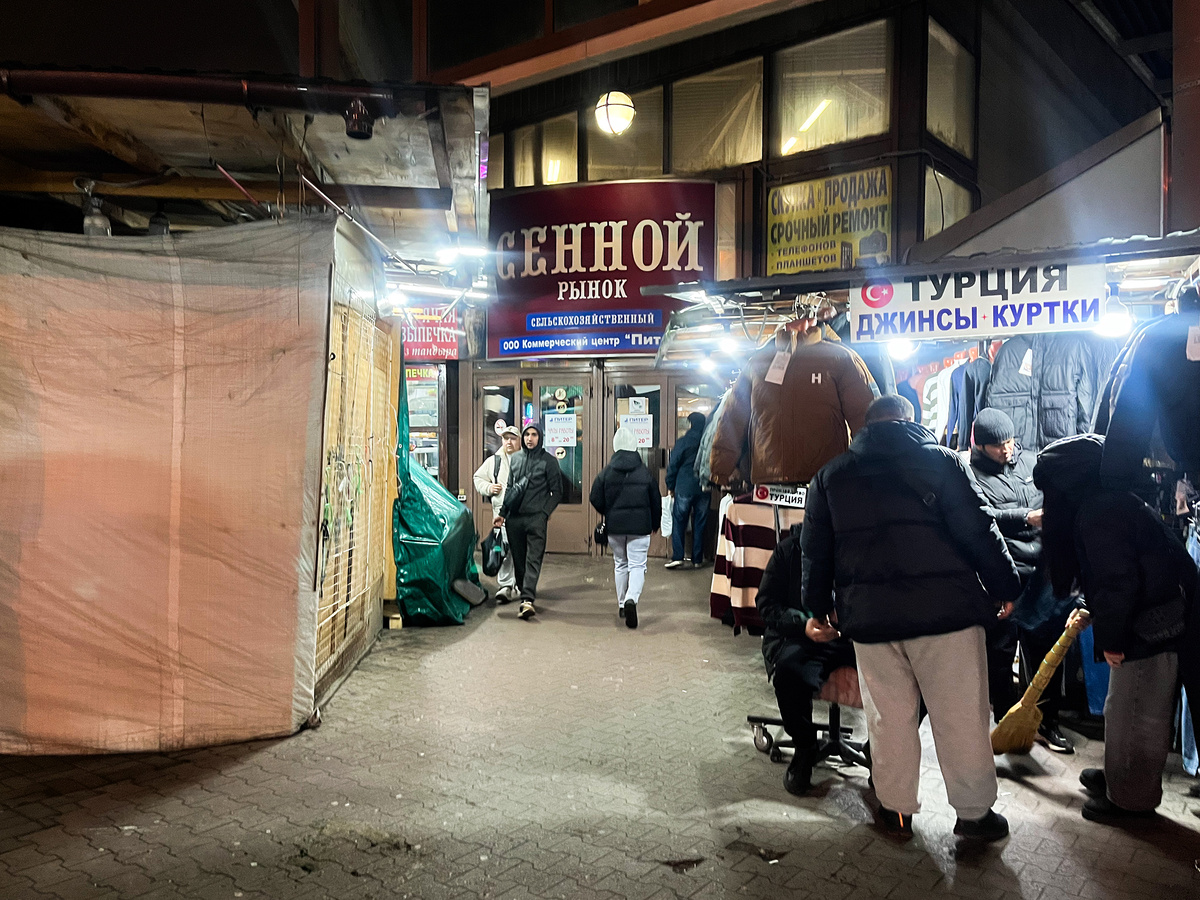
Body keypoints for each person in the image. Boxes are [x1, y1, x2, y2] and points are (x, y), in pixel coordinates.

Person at [801, 394, 1020, 841]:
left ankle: (896, 809)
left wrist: (817, 605)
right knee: (961, 716)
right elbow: (978, 527)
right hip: (947, 617)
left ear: (866, 427)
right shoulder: (942, 463)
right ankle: (975, 815)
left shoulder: (830, 477)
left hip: (873, 622)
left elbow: (815, 550)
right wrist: (1006, 587)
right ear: (912, 421)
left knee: (889, 718)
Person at [1034, 434, 1198, 824]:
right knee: (1123, 707)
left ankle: (1131, 800)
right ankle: (1120, 777)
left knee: (1139, 711)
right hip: (1155, 615)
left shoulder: (1099, 513)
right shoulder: (1106, 504)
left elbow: (1117, 582)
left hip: (1154, 625)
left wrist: (1111, 639)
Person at [969, 408, 1074, 753]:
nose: (1007, 450)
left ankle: (1048, 722)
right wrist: (1026, 516)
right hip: (1006, 571)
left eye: (1010, 442)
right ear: (980, 446)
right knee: (1001, 654)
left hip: (1043, 571)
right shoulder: (970, 475)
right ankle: (1005, 722)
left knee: (1046, 653)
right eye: (998, 446)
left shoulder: (1030, 463)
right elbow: (983, 516)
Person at [756, 523, 856, 795]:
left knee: (911, 676)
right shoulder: (790, 550)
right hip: (803, 638)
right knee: (789, 674)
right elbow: (766, 603)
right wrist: (803, 624)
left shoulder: (861, 548)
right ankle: (805, 746)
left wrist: (847, 622)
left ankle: (884, 753)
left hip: (854, 637)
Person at [589, 426, 662, 629]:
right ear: (635, 446)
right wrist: (654, 523)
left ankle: (622, 604)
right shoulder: (645, 473)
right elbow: (656, 501)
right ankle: (632, 599)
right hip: (640, 528)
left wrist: (608, 512)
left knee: (620, 563)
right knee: (637, 565)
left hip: (615, 527)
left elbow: (594, 498)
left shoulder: (606, 473)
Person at [495, 424, 562, 620]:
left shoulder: (549, 462)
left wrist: (544, 512)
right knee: (519, 560)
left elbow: (557, 491)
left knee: (533, 559)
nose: (530, 438)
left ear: (540, 437)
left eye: (534, 435)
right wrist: (502, 513)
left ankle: (527, 599)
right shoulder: (515, 459)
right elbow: (510, 488)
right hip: (515, 519)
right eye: (527, 435)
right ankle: (526, 592)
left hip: (536, 519)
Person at [473, 425, 522, 602]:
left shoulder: (525, 460)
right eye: (506, 438)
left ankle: (519, 584)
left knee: (521, 551)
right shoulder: (494, 461)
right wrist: (489, 488)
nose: (509, 442)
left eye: (513, 438)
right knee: (502, 549)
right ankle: (505, 585)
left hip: (522, 515)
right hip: (500, 516)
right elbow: (478, 478)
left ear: (519, 441)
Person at [665, 412, 711, 569]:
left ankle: (678, 556)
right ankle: (697, 559)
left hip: (684, 486)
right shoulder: (708, 442)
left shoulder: (684, 442)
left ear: (690, 424)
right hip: (704, 486)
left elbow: (674, 465)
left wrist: (670, 485)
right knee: (700, 522)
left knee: (679, 521)